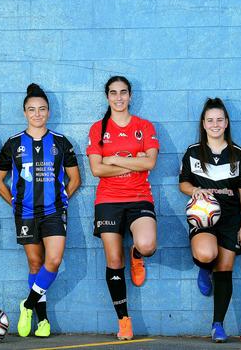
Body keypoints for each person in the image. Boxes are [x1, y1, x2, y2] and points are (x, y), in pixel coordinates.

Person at [0, 83, 81, 338]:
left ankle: (27, 304)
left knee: (53, 260)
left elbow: (74, 179)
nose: (37, 114)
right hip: (26, 213)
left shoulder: (62, 143)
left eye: (42, 109)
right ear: (25, 113)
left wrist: (63, 198)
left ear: (49, 112)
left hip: (54, 211)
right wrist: (15, 203)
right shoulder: (13, 144)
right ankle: (42, 322)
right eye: (32, 109)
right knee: (35, 263)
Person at [86, 75, 159, 340]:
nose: (119, 98)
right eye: (114, 93)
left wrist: (114, 159)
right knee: (113, 260)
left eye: (123, 92)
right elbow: (96, 169)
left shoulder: (144, 126)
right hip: (108, 201)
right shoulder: (98, 129)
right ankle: (124, 320)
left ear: (130, 95)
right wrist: (133, 160)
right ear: (107, 97)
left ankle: (137, 253)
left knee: (148, 244)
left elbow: (150, 164)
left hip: (139, 197)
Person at [178, 98, 241, 342]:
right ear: (203, 123)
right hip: (204, 215)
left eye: (219, 119)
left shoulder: (238, 154)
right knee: (207, 255)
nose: (215, 124)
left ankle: (217, 325)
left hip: (231, 218)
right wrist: (194, 191)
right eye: (210, 120)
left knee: (226, 267)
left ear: (227, 122)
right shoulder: (193, 152)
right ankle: (203, 267)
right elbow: (183, 183)